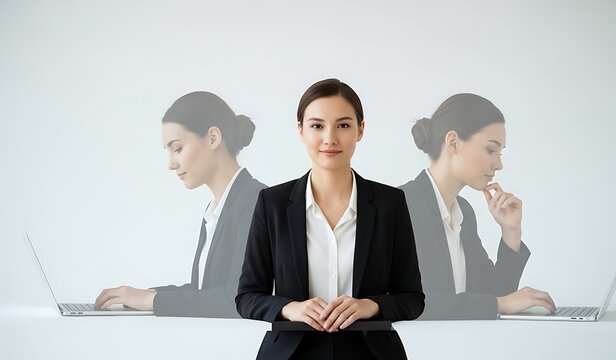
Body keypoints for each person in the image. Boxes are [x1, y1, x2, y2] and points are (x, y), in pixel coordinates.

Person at [236, 79, 424, 360]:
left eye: (343, 125)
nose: (330, 138)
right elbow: (247, 297)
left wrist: (369, 306)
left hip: (371, 353)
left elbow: (412, 299)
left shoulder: (390, 203)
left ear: (361, 130)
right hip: (290, 353)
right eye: (317, 125)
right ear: (300, 130)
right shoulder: (272, 203)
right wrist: (290, 309)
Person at [94, 91, 266, 317]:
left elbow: (238, 297)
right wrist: (140, 295)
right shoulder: (217, 208)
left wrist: (152, 300)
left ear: (213, 138)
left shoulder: (255, 200)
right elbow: (204, 291)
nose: (171, 164)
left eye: (178, 149)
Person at [400, 93, 556, 320]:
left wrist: (511, 231)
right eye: (491, 150)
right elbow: (415, 301)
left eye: (500, 153)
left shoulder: (463, 211)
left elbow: (492, 295)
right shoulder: (403, 204)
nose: (499, 164)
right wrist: (499, 303)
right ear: (453, 142)